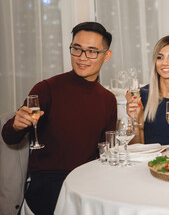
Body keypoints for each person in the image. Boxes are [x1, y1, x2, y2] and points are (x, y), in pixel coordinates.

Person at [1, 22, 117, 214]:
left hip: (87, 178)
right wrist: (16, 125)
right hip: (48, 182)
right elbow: (9, 138)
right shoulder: (46, 89)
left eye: (92, 51)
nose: (82, 58)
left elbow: (107, 151)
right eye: (76, 49)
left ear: (106, 55)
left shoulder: (108, 99)